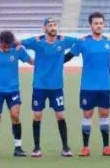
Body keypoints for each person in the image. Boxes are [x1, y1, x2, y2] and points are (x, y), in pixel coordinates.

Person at [21, 17, 77, 157]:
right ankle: (36, 148)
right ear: (44, 28)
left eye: (54, 25)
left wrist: (68, 56)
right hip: (39, 85)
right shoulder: (37, 41)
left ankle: (65, 147)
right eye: (50, 25)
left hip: (56, 86)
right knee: (37, 115)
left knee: (60, 115)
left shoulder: (63, 41)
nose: (53, 28)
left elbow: (81, 42)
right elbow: (18, 43)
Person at [68, 12, 110, 156]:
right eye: (96, 23)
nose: (99, 26)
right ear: (90, 25)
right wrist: (52, 61)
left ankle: (106, 146)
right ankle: (85, 147)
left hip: (105, 85)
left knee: (104, 113)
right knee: (87, 114)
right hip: (87, 85)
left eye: (101, 23)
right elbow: (68, 56)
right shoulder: (83, 42)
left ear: (104, 25)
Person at [0, 31, 32, 157]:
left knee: (15, 116)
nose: (7, 48)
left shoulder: (18, 50)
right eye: (4, 45)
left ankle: (18, 147)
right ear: (0, 42)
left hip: (13, 89)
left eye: (9, 46)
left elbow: (31, 61)